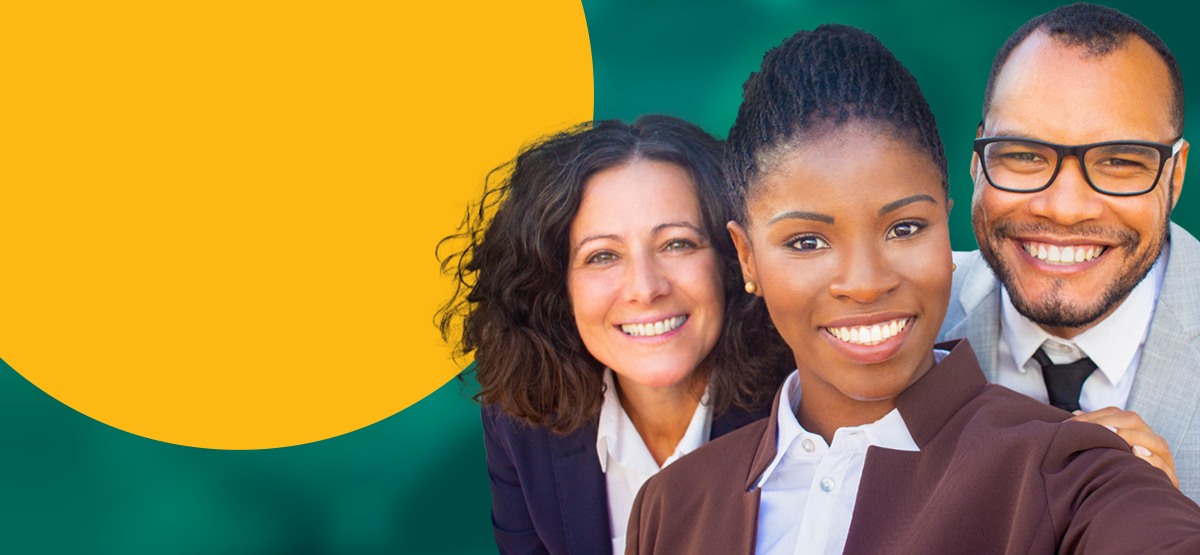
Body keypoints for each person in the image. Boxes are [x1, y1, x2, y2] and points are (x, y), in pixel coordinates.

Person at [626, 24, 1200, 555]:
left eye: (904, 229)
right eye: (806, 242)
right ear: (746, 256)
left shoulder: (1074, 469)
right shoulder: (670, 503)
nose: (866, 283)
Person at [437, 116, 790, 555]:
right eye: (602, 256)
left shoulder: (805, 408)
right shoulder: (520, 426)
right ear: (555, 287)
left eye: (677, 244)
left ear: (732, 261)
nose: (645, 288)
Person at [939, 2, 1197, 497]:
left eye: (1119, 161)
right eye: (1024, 155)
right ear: (977, 161)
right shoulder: (897, 322)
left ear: (1175, 176)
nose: (1064, 209)